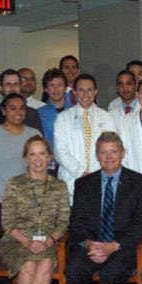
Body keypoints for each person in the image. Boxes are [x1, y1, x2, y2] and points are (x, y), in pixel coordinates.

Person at [66, 132, 142, 284]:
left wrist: (113, 246)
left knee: (112, 273)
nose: (109, 157)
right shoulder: (84, 183)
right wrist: (89, 243)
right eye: (103, 152)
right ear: (97, 155)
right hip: (92, 244)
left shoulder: (140, 182)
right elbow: (76, 221)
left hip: (121, 246)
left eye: (114, 151)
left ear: (123, 153)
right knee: (73, 269)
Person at [0, 135, 69, 284]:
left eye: (42, 154)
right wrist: (28, 242)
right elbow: (8, 222)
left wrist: (49, 241)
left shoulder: (60, 186)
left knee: (45, 261)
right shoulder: (14, 184)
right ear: (25, 158)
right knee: (28, 263)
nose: (38, 159)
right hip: (16, 240)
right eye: (32, 154)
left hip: (48, 240)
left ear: (50, 157)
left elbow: (63, 222)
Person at [0, 93, 42, 231]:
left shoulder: (35, 134)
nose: (18, 112)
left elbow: (41, 167)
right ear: (3, 111)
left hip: (30, 200)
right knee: (1, 246)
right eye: (12, 108)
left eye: (22, 108)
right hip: (1, 200)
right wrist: (9, 196)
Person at [54, 73, 116, 202]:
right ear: (74, 92)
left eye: (89, 90)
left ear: (96, 92)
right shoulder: (63, 118)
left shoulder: (107, 118)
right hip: (72, 182)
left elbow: (112, 150)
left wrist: (97, 176)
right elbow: (60, 152)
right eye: (81, 90)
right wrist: (82, 174)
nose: (85, 94)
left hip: (100, 181)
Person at [38, 68, 72, 176]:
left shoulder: (75, 111)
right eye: (51, 85)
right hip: (49, 166)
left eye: (59, 85)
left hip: (73, 165)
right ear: (46, 89)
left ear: (65, 88)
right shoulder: (39, 114)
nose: (56, 89)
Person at [0, 69, 44, 133]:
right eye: (8, 84)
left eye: (16, 84)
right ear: (1, 88)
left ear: (20, 86)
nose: (12, 87)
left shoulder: (32, 114)